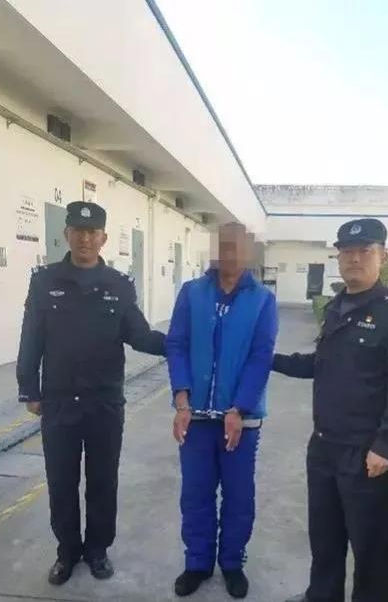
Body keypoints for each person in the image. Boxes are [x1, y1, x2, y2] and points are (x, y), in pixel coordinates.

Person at [274, 218, 388, 602]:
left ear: (382, 257)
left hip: (365, 453)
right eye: (347, 252)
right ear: (338, 258)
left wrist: (386, 446)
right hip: (324, 446)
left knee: (370, 550)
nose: (355, 259)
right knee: (324, 538)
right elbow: (322, 364)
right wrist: (270, 360)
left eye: (365, 251)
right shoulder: (336, 306)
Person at [16, 201, 166, 586]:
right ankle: (67, 552)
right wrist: (28, 388)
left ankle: (97, 550)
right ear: (67, 234)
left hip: (104, 403)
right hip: (59, 401)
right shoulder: (44, 281)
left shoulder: (119, 285)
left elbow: (139, 335)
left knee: (103, 481)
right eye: (78, 231)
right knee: (61, 482)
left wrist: (180, 342)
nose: (85, 239)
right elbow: (31, 337)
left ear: (103, 238)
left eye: (92, 232)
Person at [166, 222, 278, 599]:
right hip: (196, 417)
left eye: (237, 246)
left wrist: (239, 408)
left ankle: (232, 563)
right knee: (196, 494)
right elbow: (177, 345)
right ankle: (197, 563)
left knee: (238, 495)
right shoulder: (192, 293)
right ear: (215, 249)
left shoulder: (262, 300)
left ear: (249, 251)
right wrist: (182, 401)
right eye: (224, 246)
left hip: (241, 422)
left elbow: (261, 356)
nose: (230, 253)